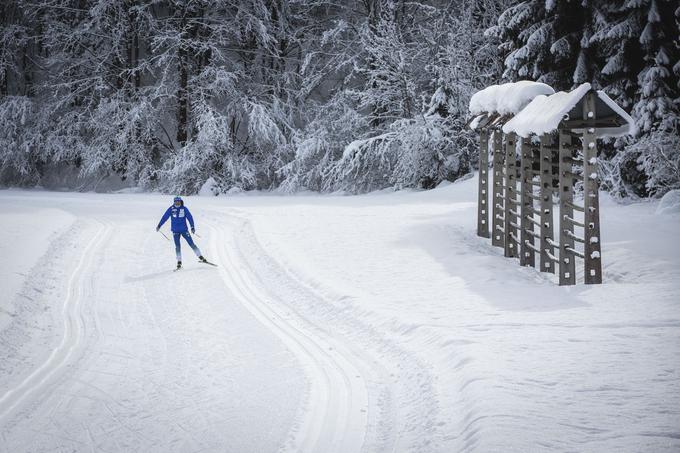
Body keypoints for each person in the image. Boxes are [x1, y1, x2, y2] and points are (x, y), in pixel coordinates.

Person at [156, 196, 209, 269]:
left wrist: (192, 227)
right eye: (176, 201)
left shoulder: (184, 209)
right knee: (177, 247)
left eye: (178, 201)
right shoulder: (171, 209)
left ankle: (201, 257)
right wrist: (159, 225)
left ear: (181, 201)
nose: (177, 202)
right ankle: (179, 262)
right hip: (175, 231)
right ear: (174, 202)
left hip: (184, 230)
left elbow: (190, 217)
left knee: (191, 244)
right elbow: (165, 217)